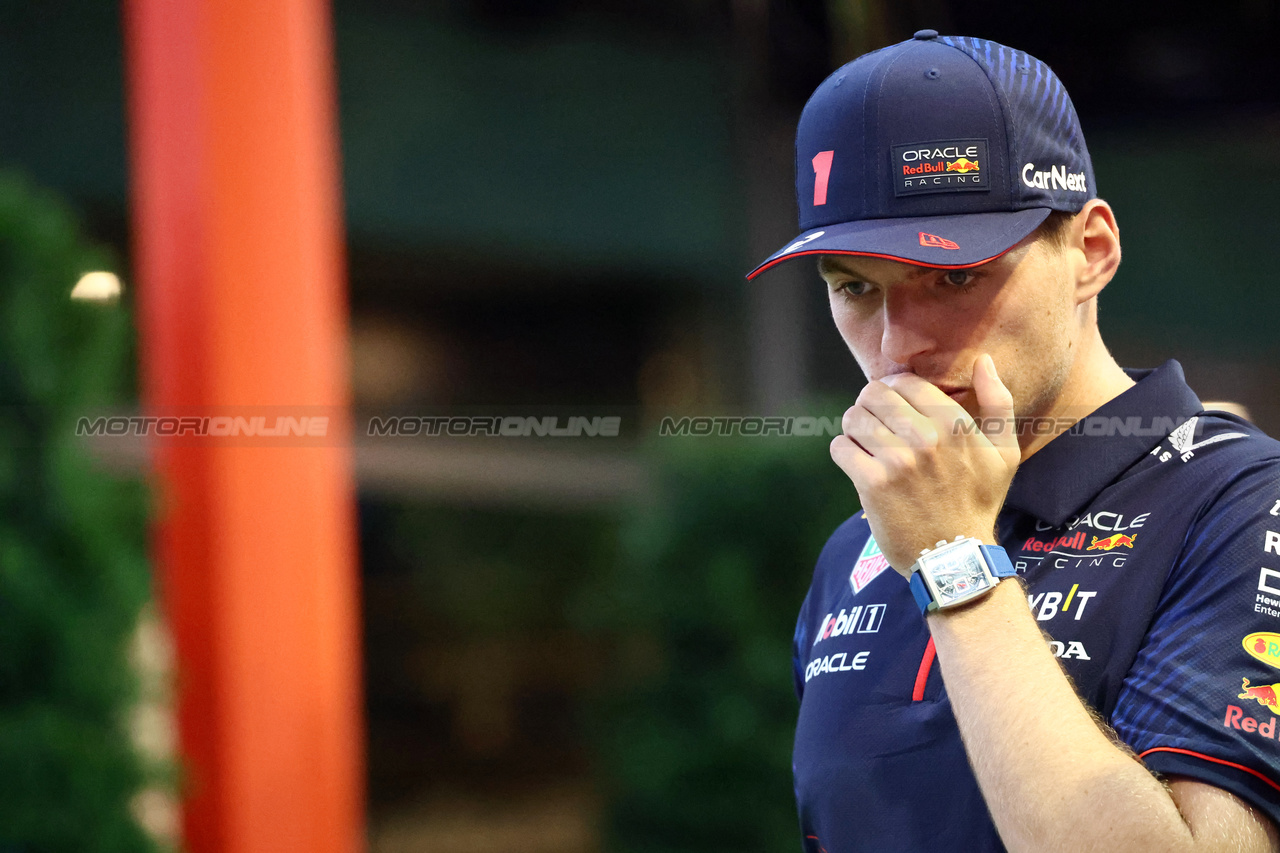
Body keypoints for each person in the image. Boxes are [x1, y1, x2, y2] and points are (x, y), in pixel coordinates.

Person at [746, 30, 1280, 852]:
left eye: (954, 276)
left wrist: (956, 560)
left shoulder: (1239, 501)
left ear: (1091, 253)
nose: (897, 349)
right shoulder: (860, 546)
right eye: (855, 287)